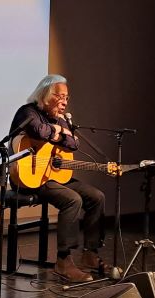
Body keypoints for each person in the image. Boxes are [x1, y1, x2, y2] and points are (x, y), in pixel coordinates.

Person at [9, 74, 108, 283]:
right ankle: (63, 261)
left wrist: (58, 132)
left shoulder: (61, 119)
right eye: (60, 96)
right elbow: (37, 130)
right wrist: (58, 131)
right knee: (73, 199)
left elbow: (73, 144)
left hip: (53, 177)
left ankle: (90, 252)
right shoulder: (28, 112)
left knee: (97, 196)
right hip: (30, 178)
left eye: (66, 97)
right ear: (45, 94)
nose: (64, 101)